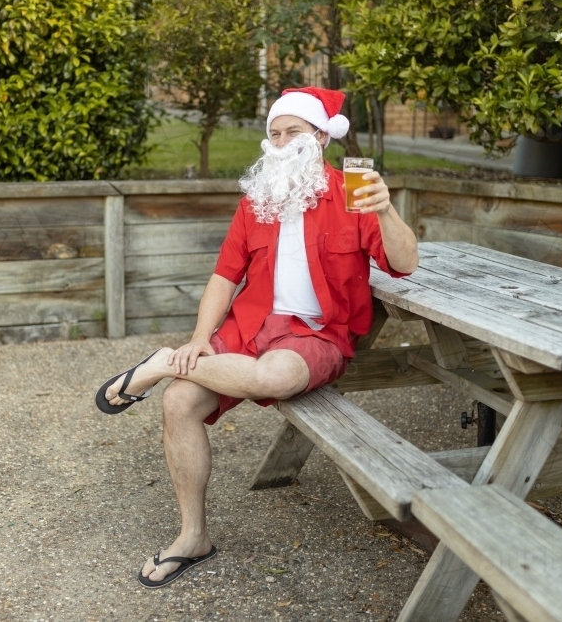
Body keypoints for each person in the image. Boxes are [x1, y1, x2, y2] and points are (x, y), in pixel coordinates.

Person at [94, 87, 419, 588]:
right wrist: (201, 338)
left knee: (277, 375)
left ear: (320, 138)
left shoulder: (355, 195)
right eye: (274, 133)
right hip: (249, 327)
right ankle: (192, 537)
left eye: (293, 131)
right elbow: (224, 277)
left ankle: (160, 362)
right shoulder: (257, 202)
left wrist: (386, 211)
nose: (282, 141)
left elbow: (404, 264)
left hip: (317, 335)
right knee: (179, 402)